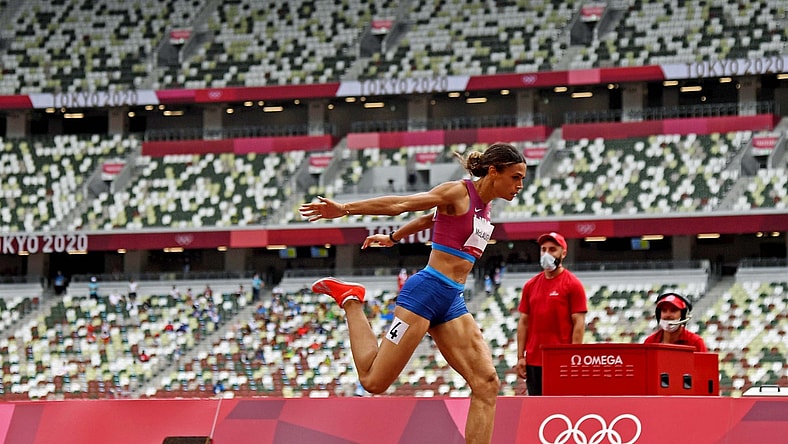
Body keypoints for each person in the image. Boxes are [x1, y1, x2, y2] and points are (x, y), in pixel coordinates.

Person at [300, 142, 526, 444]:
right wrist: (344, 209)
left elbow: (430, 221)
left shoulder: (486, 205)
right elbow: (403, 204)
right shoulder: (457, 192)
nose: (520, 185)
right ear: (494, 172)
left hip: (451, 300)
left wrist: (394, 238)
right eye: (516, 177)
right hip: (425, 293)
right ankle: (351, 301)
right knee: (373, 381)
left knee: (486, 383)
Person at [516, 232, 587, 396]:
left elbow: (579, 322)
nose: (547, 254)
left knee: (560, 407)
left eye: (553, 249)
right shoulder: (530, 285)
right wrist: (521, 356)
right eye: (543, 249)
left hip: (560, 360)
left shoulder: (573, 284)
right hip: (534, 360)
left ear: (563, 253)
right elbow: (524, 322)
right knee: (537, 407)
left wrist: (574, 357)